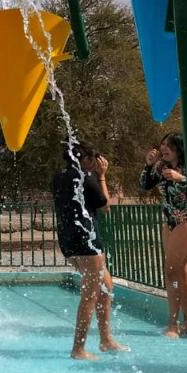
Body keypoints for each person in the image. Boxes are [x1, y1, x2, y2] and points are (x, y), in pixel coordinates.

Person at [51, 141, 127, 361]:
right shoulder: (87, 177)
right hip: (87, 242)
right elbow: (105, 207)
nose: (96, 164)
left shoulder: (58, 177)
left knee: (106, 287)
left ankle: (105, 339)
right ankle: (78, 349)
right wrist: (102, 176)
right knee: (91, 295)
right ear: (85, 160)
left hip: (69, 241)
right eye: (93, 160)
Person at [139, 133, 187, 338]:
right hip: (169, 222)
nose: (164, 148)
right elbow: (144, 185)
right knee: (181, 273)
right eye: (162, 144)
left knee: (171, 271)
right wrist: (148, 164)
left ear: (179, 148)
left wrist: (182, 179)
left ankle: (173, 323)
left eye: (169, 146)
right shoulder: (160, 167)